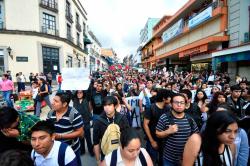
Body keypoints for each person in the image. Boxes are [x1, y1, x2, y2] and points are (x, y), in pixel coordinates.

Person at [156, 93, 199, 166]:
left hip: (186, 160)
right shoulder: (164, 117)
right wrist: (168, 132)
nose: (179, 105)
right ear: (171, 104)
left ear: (185, 105)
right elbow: (157, 133)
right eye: (176, 102)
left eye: (182, 103)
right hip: (169, 159)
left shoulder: (190, 119)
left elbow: (197, 135)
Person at [47, 92, 84, 166]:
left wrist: (60, 136)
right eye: (53, 100)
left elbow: (80, 132)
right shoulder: (51, 113)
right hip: (55, 149)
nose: (52, 103)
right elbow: (47, 127)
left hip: (72, 149)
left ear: (64, 104)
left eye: (56, 101)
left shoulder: (74, 114)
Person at [93, 96, 130, 165]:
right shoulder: (98, 121)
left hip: (121, 153)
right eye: (105, 105)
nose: (107, 107)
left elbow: (128, 138)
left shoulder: (122, 119)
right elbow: (96, 143)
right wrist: (98, 160)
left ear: (115, 106)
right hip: (105, 154)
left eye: (109, 105)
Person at [143, 89, 171, 165]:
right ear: (163, 98)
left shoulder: (168, 108)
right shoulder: (151, 108)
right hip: (152, 139)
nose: (170, 98)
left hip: (164, 140)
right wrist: (152, 141)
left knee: (163, 161)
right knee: (151, 161)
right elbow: (145, 124)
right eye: (169, 97)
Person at [73, 90, 94, 156]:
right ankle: (82, 150)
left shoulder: (86, 100)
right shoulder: (75, 101)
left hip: (86, 121)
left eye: (80, 92)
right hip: (78, 122)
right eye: (78, 93)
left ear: (83, 93)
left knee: (88, 138)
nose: (79, 94)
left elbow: (89, 92)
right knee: (80, 137)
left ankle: (91, 151)